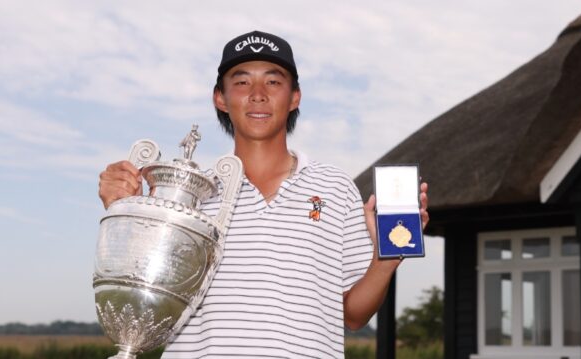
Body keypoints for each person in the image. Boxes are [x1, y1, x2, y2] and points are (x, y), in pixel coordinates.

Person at [97, 30, 429, 359]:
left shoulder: (335, 187)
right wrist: (124, 212)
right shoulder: (189, 194)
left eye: (273, 81)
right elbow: (146, 291)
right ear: (220, 98)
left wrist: (385, 259)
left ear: (295, 97)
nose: (258, 94)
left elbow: (354, 315)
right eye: (241, 82)